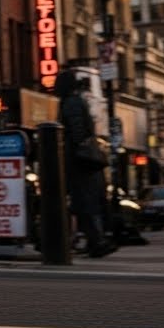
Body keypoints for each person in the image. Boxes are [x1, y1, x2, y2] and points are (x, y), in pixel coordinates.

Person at [56, 72, 111, 257]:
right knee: (85, 202)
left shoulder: (71, 103)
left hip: (79, 161)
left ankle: (97, 241)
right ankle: (95, 241)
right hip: (84, 161)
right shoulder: (77, 101)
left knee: (83, 202)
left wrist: (74, 148)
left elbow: (76, 130)